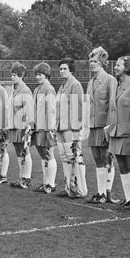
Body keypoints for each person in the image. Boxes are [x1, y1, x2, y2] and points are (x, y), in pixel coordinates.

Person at [105, 56, 130, 210]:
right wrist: (109, 129)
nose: (115, 67)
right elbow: (113, 110)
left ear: (127, 68)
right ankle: (128, 199)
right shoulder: (117, 85)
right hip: (115, 133)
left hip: (129, 134)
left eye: (119, 65)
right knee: (122, 166)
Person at [85, 47, 119, 204]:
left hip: (105, 125)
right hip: (93, 125)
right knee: (97, 159)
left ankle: (107, 193)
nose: (92, 64)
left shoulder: (110, 80)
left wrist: (110, 126)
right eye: (91, 61)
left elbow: (113, 105)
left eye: (95, 61)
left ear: (103, 63)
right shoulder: (90, 82)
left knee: (107, 158)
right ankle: (100, 193)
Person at [55, 57, 87, 199]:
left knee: (75, 156)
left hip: (70, 127)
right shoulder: (62, 85)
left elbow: (78, 108)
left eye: (65, 69)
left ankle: (80, 189)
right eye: (61, 69)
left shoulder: (75, 85)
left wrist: (76, 128)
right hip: (60, 127)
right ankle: (69, 187)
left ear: (71, 70)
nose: (62, 71)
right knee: (64, 157)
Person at [30, 62, 57, 194]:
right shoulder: (36, 90)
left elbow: (51, 110)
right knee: (42, 155)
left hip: (46, 128)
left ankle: (51, 184)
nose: (37, 77)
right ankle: (45, 182)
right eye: (36, 74)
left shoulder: (49, 89)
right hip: (37, 127)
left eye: (40, 74)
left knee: (49, 154)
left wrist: (50, 129)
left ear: (46, 75)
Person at [8, 62, 34, 189]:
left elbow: (29, 110)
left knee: (25, 150)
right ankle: (21, 176)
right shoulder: (14, 90)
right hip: (13, 125)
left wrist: (28, 128)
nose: (12, 77)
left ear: (21, 75)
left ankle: (27, 178)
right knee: (18, 151)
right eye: (12, 75)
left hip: (22, 126)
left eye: (14, 75)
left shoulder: (25, 90)